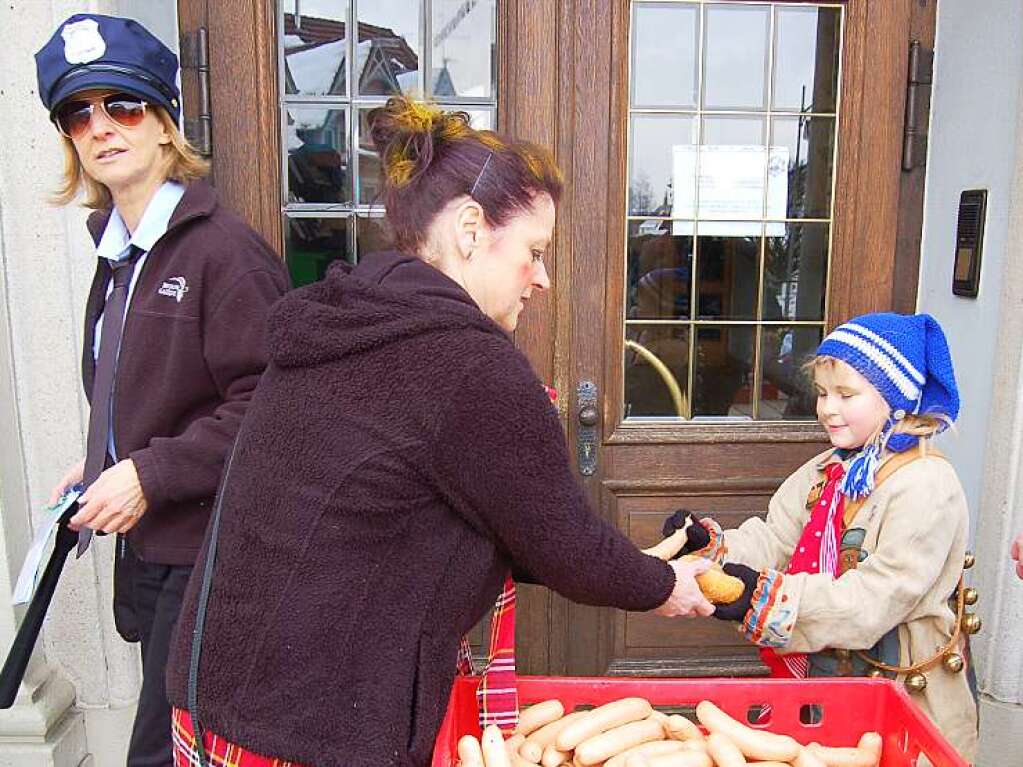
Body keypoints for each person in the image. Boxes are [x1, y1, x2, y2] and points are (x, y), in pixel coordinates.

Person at [164, 96, 713, 767]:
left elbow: (465, 517)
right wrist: (664, 587)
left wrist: (639, 566)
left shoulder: (350, 322)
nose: (542, 278)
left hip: (221, 694)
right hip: (307, 725)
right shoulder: (467, 365)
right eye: (534, 251)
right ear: (470, 227)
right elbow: (563, 543)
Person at [34, 14, 290, 766]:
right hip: (151, 549)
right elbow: (141, 388)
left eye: (123, 104)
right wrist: (102, 457)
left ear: (164, 121)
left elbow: (268, 401)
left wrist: (149, 471)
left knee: (165, 752)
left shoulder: (222, 253)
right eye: (78, 113)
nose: (101, 126)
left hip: (211, 549)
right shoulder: (117, 254)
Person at [662, 312, 978, 761]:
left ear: (898, 398)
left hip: (898, 686)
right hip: (824, 676)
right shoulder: (826, 470)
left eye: (847, 394)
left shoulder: (926, 485)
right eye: (823, 393)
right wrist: (711, 548)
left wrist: (770, 598)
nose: (828, 407)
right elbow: (775, 540)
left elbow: (876, 599)